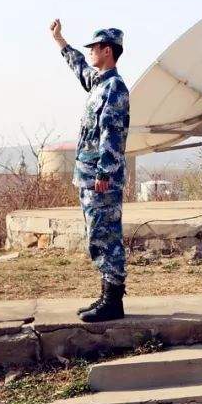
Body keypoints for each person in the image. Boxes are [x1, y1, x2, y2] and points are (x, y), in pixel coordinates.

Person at [50, 20, 131, 323]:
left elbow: (113, 133)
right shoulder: (98, 83)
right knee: (97, 236)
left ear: (107, 50)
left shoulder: (115, 88)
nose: (91, 52)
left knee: (106, 236)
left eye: (95, 47)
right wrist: (60, 42)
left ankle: (113, 302)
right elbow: (79, 67)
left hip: (101, 180)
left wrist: (104, 174)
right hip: (88, 176)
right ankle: (105, 295)